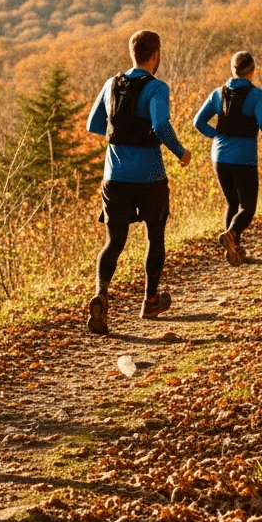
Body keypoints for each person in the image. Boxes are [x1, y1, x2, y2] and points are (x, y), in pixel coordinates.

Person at [84, 29, 190, 335]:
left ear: (133, 53)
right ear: (155, 55)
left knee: (114, 242)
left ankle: (101, 296)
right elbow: (160, 126)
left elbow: (93, 125)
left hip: (113, 176)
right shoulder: (157, 88)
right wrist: (181, 153)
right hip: (150, 177)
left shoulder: (111, 84)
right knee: (154, 236)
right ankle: (150, 301)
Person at [193, 51, 262, 266]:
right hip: (244, 158)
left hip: (219, 157)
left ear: (233, 69)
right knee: (248, 208)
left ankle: (234, 250)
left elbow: (198, 122)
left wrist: (217, 136)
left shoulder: (218, 93)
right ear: (252, 70)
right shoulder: (256, 95)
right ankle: (231, 236)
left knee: (232, 202)